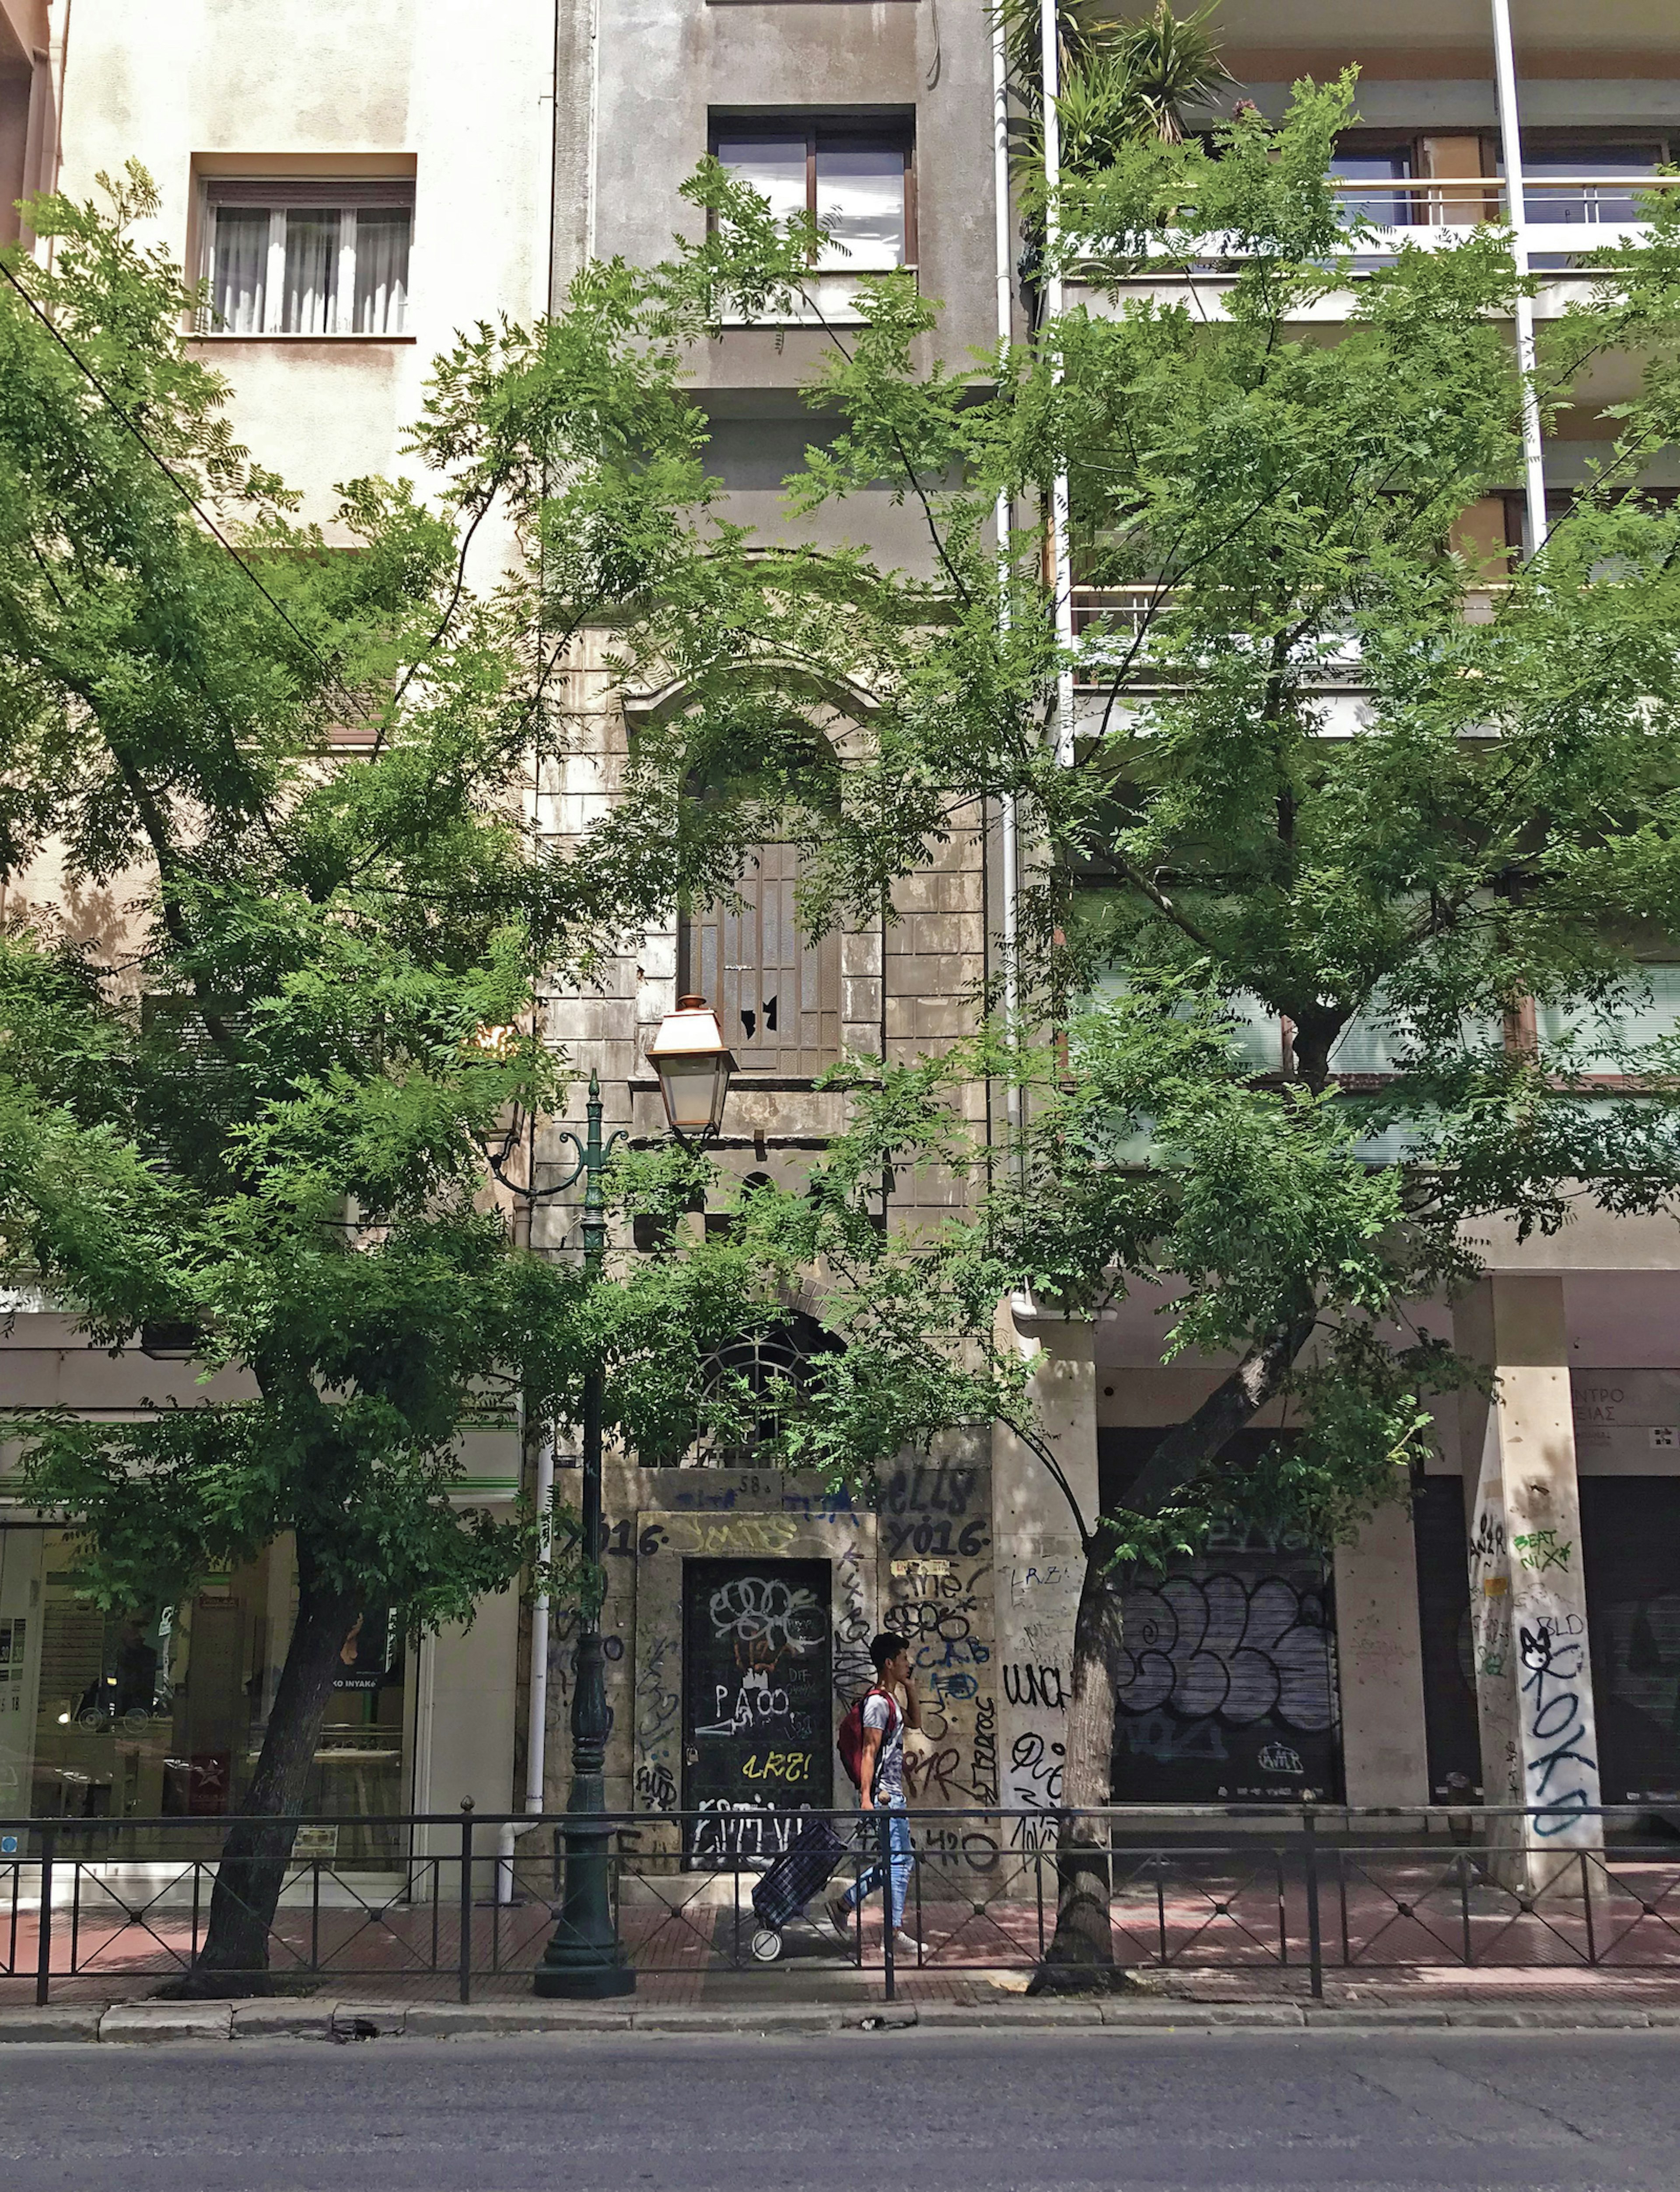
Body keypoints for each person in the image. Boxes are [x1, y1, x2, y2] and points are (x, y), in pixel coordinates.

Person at [829, 1631, 924, 1957]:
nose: (908, 1663)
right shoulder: (876, 1704)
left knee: (896, 1862)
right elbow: (869, 1752)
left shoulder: (891, 1700)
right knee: (901, 1862)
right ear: (889, 1663)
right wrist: (867, 1797)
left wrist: (911, 1689)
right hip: (885, 1795)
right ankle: (893, 1932)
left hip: (892, 1793)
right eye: (903, 1658)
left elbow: (915, 1721)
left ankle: (844, 1904)